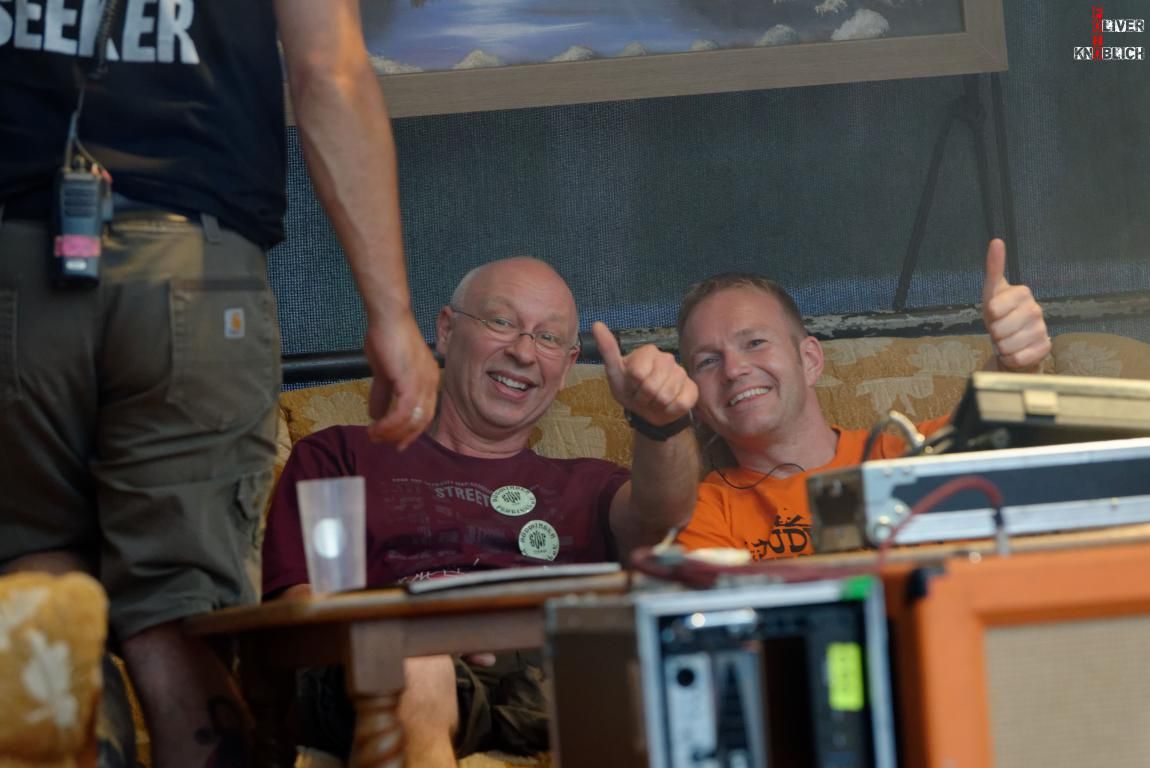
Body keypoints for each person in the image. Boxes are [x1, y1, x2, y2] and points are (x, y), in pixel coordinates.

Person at [0, 2, 439, 766]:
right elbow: (328, 69)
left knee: (35, 569)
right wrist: (391, 316)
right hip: (193, 265)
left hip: (18, 258)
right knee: (178, 610)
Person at [262, 256, 700, 766]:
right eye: (502, 322)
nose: (523, 352)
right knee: (418, 667)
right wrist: (437, 633)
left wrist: (662, 423)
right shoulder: (342, 456)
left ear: (566, 366)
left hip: (547, 673)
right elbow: (301, 606)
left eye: (547, 338)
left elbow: (660, 518)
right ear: (447, 331)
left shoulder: (591, 482)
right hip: (396, 661)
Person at [674, 238, 1052, 557]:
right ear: (696, 403)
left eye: (755, 342)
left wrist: (1015, 365)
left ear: (810, 361)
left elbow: (1006, 434)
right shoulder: (705, 513)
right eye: (708, 361)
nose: (733, 369)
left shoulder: (910, 453)